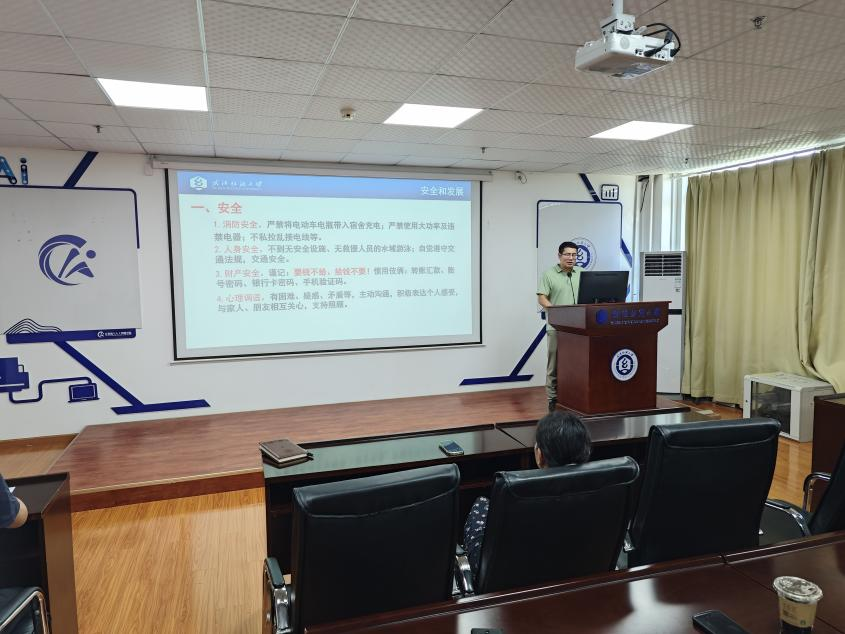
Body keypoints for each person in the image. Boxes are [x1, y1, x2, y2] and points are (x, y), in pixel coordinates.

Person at [462, 411, 591, 579]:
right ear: (586, 451)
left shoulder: (514, 497)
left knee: (482, 504)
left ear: (540, 455)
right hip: (583, 578)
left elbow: (481, 563)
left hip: (513, 584)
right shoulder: (605, 491)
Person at [537, 241, 582, 412]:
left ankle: (575, 396)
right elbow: (542, 297)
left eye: (574, 255)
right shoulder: (549, 274)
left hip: (580, 329)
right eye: (567, 254)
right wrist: (556, 311)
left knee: (578, 363)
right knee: (554, 364)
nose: (571, 258)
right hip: (556, 327)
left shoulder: (582, 273)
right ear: (559, 255)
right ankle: (552, 399)